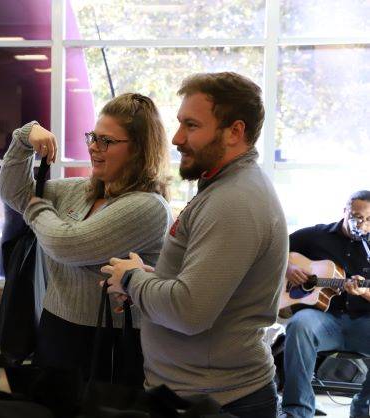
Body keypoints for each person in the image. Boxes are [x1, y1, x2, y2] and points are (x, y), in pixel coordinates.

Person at [103, 72, 288, 417]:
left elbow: (189, 312)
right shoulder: (224, 189)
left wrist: (133, 280)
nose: (176, 138)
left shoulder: (233, 202)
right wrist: (147, 278)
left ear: (235, 132)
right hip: (197, 392)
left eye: (191, 126)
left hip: (219, 401)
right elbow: (204, 287)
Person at [0, 93, 173, 385]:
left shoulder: (148, 207)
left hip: (109, 341)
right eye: (93, 137)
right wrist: (24, 138)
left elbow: (67, 245)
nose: (93, 147)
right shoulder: (79, 191)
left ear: (139, 150)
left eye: (107, 141)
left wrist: (35, 206)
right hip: (56, 329)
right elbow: (14, 192)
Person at [281, 190, 370, 418]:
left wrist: (365, 292)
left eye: (369, 219)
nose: (363, 224)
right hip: (324, 319)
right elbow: (273, 249)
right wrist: (288, 268)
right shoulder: (316, 236)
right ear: (344, 211)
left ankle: (363, 405)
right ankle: (297, 411)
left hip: (363, 323)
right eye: (358, 217)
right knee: (299, 325)